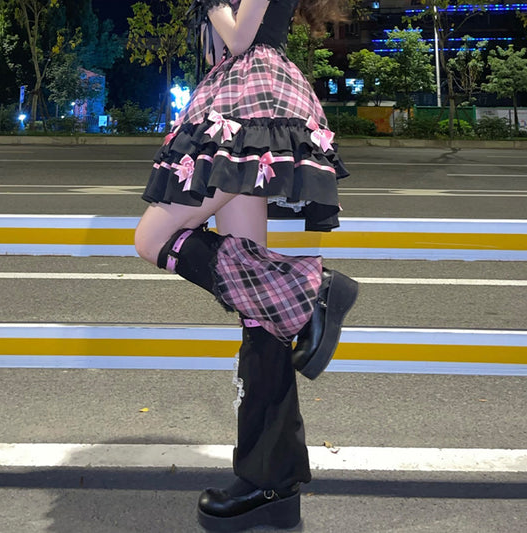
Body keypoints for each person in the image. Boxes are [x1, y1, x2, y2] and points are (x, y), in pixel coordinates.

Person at [134, 0, 358, 530]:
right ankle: (271, 483)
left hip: (251, 108)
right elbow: (221, 52)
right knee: (259, 312)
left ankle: (310, 287)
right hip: (231, 108)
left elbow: (239, 39)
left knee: (152, 238)